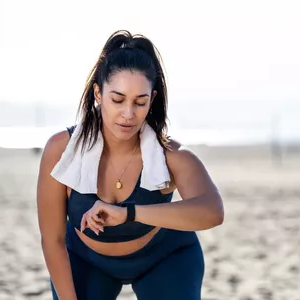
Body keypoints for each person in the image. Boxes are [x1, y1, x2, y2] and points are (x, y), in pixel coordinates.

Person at [36, 30, 224, 300]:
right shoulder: (61, 150)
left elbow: (213, 211)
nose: (128, 114)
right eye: (117, 99)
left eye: (140, 102)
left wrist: (129, 213)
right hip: (85, 261)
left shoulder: (171, 156)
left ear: (152, 99)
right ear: (98, 93)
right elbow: (52, 240)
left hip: (166, 258)